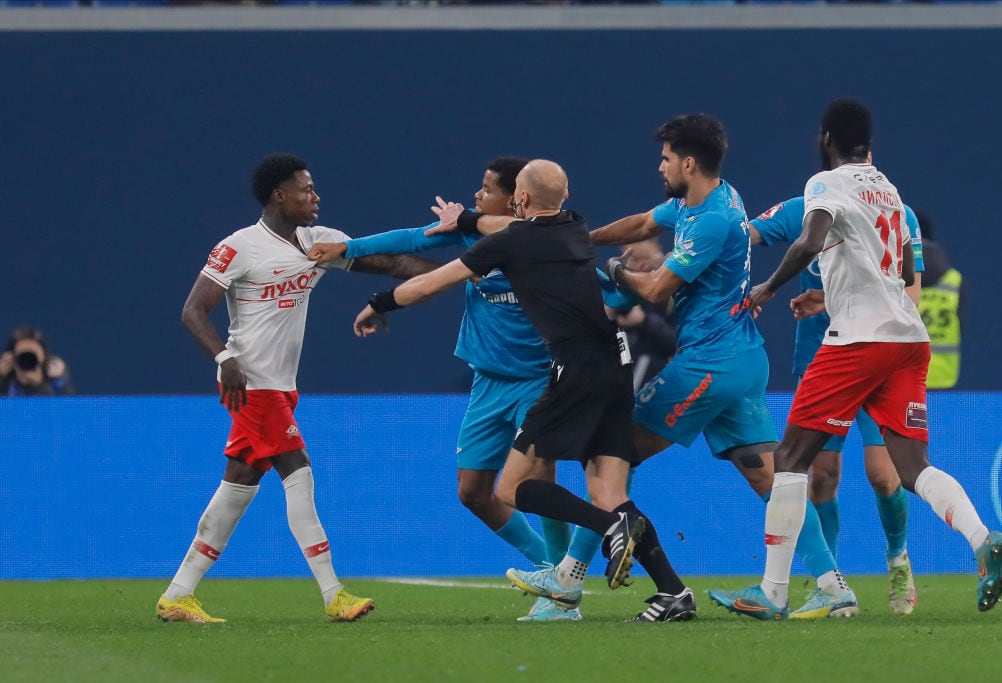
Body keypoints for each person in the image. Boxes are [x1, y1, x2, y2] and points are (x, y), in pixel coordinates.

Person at [352, 159, 697, 622]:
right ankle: (673, 593)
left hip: (573, 370)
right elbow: (508, 218)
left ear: (522, 199)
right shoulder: (574, 228)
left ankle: (602, 537)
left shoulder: (513, 242)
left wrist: (378, 303)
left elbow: (429, 284)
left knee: (515, 488)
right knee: (609, 490)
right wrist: (469, 220)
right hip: (617, 366)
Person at [708, 98, 1002, 620]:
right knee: (911, 468)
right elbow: (872, 265)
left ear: (825, 138)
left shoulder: (827, 184)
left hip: (857, 342)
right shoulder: (890, 191)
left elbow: (810, 240)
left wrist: (768, 287)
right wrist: (827, 296)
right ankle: (982, 540)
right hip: (907, 343)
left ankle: (773, 591)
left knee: (790, 460)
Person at [568, 113, 853, 620]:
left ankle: (567, 583)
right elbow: (642, 224)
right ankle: (832, 585)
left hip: (709, 363)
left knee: (609, 456)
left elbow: (656, 289)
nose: (660, 166)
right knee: (772, 481)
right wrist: (586, 239)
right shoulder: (702, 199)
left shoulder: (713, 219)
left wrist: (611, 268)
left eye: (666, 159)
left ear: (689, 162)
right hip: (740, 360)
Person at [308, 157, 596, 622]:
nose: (477, 195)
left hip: (539, 380)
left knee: (536, 482)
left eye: (486, 189)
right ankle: (552, 568)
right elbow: (408, 240)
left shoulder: (544, 241)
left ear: (516, 196)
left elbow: (440, 274)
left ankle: (563, 593)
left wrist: (468, 217)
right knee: (473, 492)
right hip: (487, 382)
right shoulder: (474, 235)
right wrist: (348, 247)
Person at [157, 153, 437, 624]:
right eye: (305, 189)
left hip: (280, 386)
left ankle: (178, 594)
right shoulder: (239, 247)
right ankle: (334, 594)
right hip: (250, 383)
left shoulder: (318, 244)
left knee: (238, 485)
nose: (315, 197)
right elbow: (192, 311)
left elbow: (389, 262)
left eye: (314, 188)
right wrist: (225, 360)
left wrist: (461, 272)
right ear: (278, 196)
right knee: (298, 472)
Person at [749, 195, 925, 614]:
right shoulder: (805, 207)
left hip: (877, 355)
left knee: (884, 476)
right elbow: (748, 234)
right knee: (822, 477)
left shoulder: (899, 210)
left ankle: (898, 558)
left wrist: (827, 299)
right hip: (824, 357)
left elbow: (910, 296)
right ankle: (828, 583)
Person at [606, 238, 677, 392]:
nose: (642, 266)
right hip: (619, 379)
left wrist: (644, 321)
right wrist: (608, 315)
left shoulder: (675, 289)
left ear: (657, 248)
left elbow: (678, 344)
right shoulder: (620, 289)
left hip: (657, 381)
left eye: (646, 259)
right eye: (635, 260)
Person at [916, 212, 962, 389]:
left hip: (904, 374)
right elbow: (960, 327)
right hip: (945, 377)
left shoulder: (893, 276)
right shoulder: (955, 281)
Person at [0, 326, 74, 397]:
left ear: (44, 360)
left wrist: (58, 381)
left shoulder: (57, 388)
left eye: (32, 357)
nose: (27, 361)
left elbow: (68, 407)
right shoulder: (6, 388)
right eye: (23, 357)